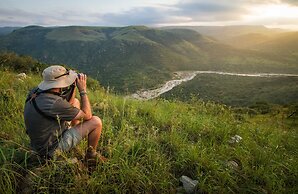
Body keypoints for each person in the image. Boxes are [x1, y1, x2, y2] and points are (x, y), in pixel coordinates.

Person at [24, 65, 106, 163]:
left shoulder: (36, 91)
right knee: (96, 121)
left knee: (75, 102)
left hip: (40, 142)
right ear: (59, 84)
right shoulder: (54, 103)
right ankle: (91, 156)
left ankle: (74, 137)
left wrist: (73, 86)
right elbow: (87, 115)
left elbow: (69, 104)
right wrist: (83, 91)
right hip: (50, 150)